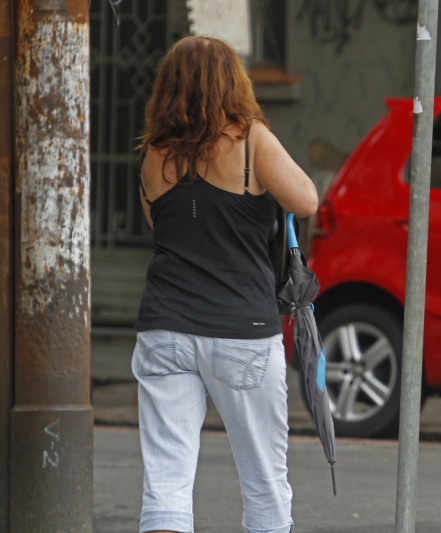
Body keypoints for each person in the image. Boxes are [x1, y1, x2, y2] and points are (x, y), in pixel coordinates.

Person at [133, 35, 318, 533]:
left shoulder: (154, 155)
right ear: (231, 82)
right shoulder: (252, 139)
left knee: (166, 484)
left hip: (165, 330)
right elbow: (306, 200)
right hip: (243, 329)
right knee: (263, 480)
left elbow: (163, 228)